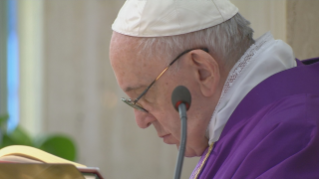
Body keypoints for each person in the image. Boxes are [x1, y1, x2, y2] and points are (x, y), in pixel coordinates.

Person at [109, 0, 319, 178]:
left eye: (143, 96)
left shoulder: (295, 137)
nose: (141, 121)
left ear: (203, 72)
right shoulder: (240, 127)